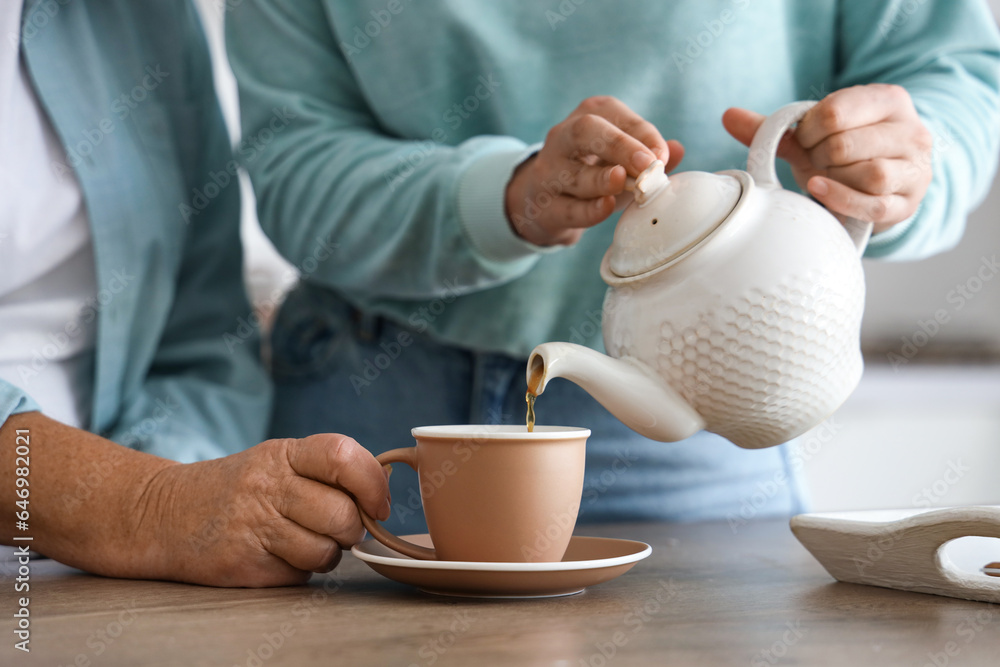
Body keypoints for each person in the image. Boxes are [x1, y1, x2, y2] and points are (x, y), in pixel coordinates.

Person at [227, 1, 1000, 533]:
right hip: (369, 390)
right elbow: (289, 157)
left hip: (704, 400)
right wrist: (507, 198)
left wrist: (900, 166)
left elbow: (951, 70)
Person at [0, 0, 389, 587]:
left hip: (92, 578)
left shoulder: (146, 19)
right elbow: (161, 512)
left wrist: (191, 490)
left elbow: (203, 339)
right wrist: (149, 507)